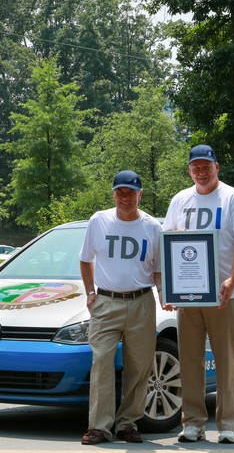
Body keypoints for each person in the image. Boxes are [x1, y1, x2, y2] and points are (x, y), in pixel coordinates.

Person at [163, 145, 234, 445]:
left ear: (217, 167)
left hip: (226, 295)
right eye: (195, 167)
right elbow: (170, 245)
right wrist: (170, 287)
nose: (201, 172)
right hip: (189, 297)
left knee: (227, 360)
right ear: (189, 170)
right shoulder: (180, 200)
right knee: (189, 360)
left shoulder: (233, 198)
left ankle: (227, 424)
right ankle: (192, 423)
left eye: (206, 166)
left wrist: (232, 278)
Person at [78, 170, 164, 445]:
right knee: (101, 362)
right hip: (106, 302)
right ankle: (99, 427)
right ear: (113, 194)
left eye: (130, 192)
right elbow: (85, 259)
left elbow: (159, 269)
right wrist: (90, 292)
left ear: (140, 194)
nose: (125, 198)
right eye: (120, 192)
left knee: (139, 366)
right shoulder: (99, 221)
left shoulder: (152, 227)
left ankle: (128, 424)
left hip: (141, 302)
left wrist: (164, 295)